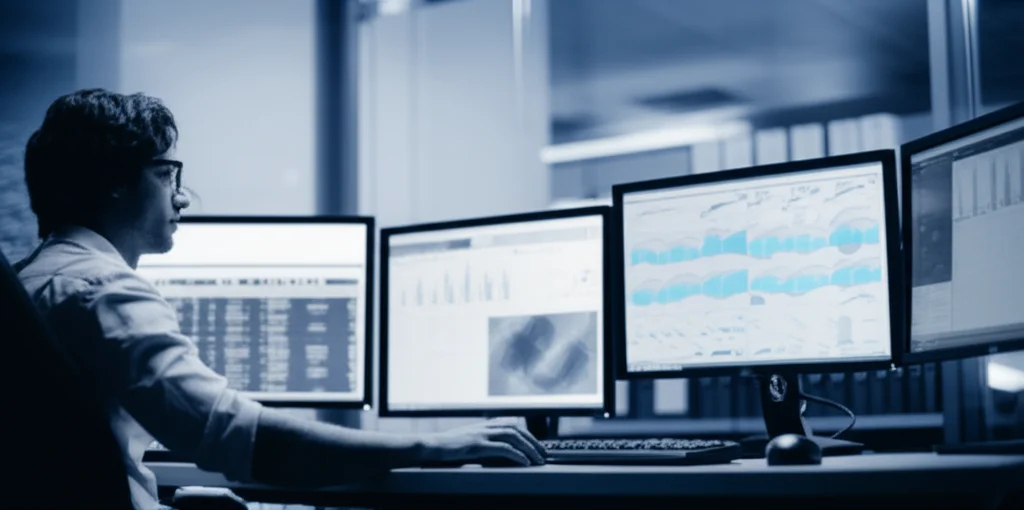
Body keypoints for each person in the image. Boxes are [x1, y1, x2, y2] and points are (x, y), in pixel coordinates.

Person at [15, 89, 546, 510]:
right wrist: (433, 446)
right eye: (167, 174)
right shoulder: (102, 290)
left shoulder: (30, 282)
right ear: (113, 183)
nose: (181, 196)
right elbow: (240, 440)